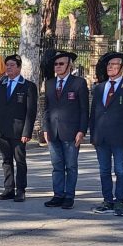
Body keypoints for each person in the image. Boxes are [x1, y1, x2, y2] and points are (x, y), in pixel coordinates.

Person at [90, 52, 123, 217]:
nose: (110, 67)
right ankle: (107, 200)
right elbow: (94, 113)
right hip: (101, 138)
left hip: (120, 138)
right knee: (104, 170)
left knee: (120, 171)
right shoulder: (99, 88)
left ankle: (119, 202)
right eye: (108, 65)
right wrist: (93, 136)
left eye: (114, 64)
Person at [42, 51, 89, 210]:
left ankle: (69, 196)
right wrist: (45, 128)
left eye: (61, 63)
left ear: (69, 65)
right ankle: (58, 195)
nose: (58, 66)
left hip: (71, 132)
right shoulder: (49, 83)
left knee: (71, 166)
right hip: (53, 131)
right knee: (57, 166)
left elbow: (84, 110)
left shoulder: (79, 83)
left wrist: (82, 131)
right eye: (56, 64)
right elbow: (46, 108)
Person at [0, 54, 38, 202]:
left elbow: (31, 112)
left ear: (19, 67)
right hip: (3, 130)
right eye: (7, 65)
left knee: (20, 161)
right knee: (6, 161)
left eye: (12, 65)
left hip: (19, 132)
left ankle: (21, 190)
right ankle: (8, 189)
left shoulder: (28, 86)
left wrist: (27, 132)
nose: (8, 68)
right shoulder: (0, 84)